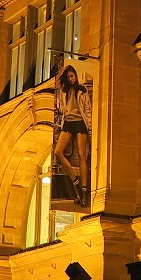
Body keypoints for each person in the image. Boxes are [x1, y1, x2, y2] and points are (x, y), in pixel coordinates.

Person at [53, 61, 93, 208]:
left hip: (80, 122)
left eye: (72, 76)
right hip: (68, 122)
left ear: (76, 75)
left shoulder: (81, 90)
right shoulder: (64, 91)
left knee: (82, 155)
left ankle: (83, 191)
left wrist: (90, 129)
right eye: (68, 76)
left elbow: (87, 109)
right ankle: (75, 181)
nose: (71, 79)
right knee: (58, 151)